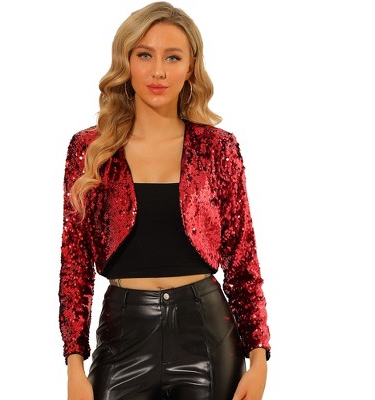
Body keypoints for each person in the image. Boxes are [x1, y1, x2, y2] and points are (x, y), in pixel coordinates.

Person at [59, 2, 271, 399]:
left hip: (206, 338)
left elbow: (242, 257)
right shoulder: (90, 149)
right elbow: (74, 263)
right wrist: (74, 363)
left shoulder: (217, 148)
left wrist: (259, 356)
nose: (158, 71)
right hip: (122, 337)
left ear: (190, 67)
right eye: (145, 55)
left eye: (172, 57)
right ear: (126, 61)